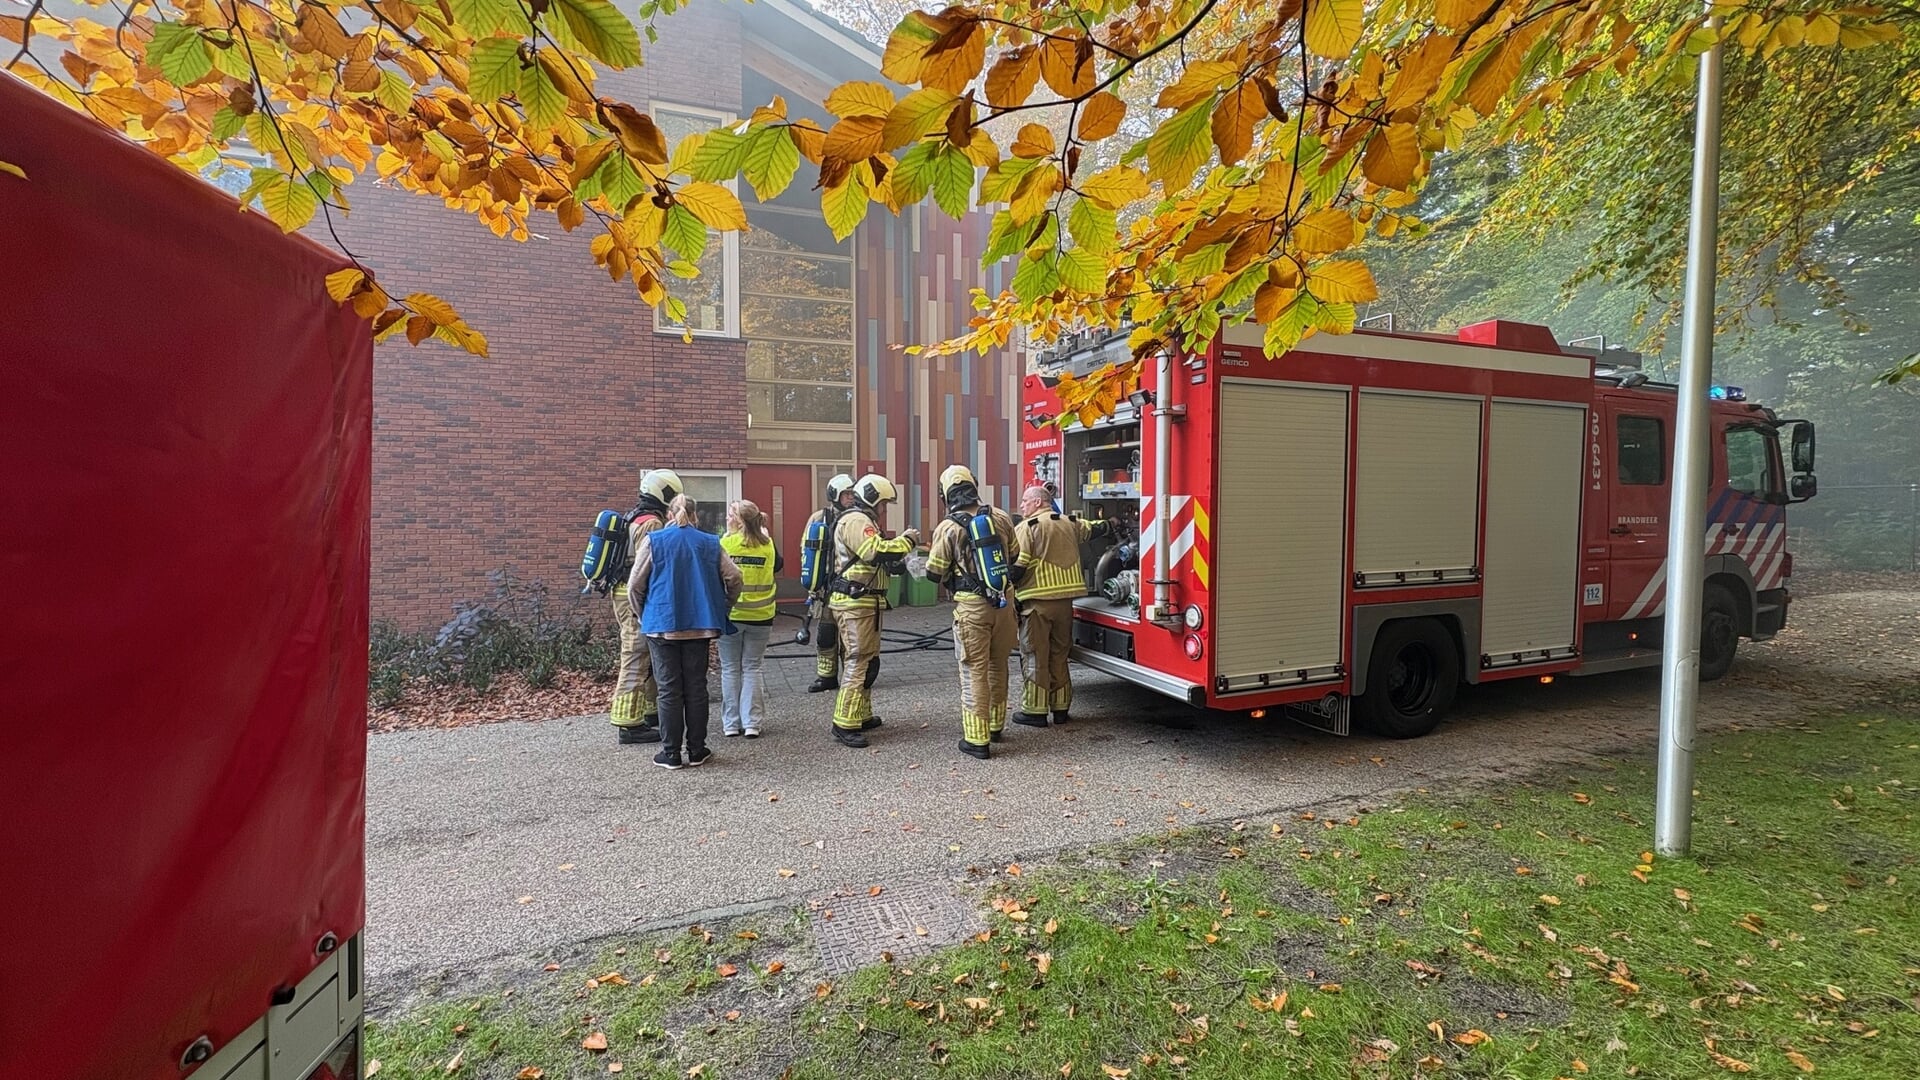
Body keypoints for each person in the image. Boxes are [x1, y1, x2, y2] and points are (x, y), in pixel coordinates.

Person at [628, 495, 742, 770]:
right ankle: (697, 749)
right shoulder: (710, 543)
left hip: (662, 626)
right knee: (696, 688)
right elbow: (735, 578)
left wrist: (646, 615)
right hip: (699, 627)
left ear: (669, 515)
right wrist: (722, 607)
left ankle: (670, 753)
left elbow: (634, 586)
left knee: (668, 690)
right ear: (696, 515)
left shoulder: (655, 541)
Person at [925, 465, 1021, 760]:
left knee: (973, 669)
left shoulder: (948, 527)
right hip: (1004, 603)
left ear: (946, 495)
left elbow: (934, 573)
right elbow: (1015, 555)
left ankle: (976, 739)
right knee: (998, 664)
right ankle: (995, 726)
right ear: (974, 486)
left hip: (971, 608)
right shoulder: (1001, 516)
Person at [826, 474, 920, 748]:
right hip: (856, 603)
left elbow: (874, 557)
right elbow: (873, 552)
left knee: (868, 661)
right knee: (857, 660)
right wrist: (907, 541)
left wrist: (895, 562)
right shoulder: (856, 520)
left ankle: (861, 715)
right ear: (873, 499)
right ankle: (844, 723)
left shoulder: (863, 521)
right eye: (884, 504)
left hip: (866, 602)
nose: (885, 509)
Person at [1012, 485, 1111, 726]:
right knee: (1060, 655)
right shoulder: (1069, 522)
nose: (1022, 506)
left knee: (1035, 655)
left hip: (1036, 603)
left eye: (1025, 501)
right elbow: (1094, 529)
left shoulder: (1027, 528)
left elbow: (1019, 566)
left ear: (1038, 502)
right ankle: (1061, 709)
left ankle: (1034, 712)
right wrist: (1112, 522)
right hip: (1066, 603)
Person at [609, 468, 681, 745]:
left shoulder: (634, 517)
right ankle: (628, 723)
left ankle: (650, 711)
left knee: (649, 654)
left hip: (625, 592)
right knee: (636, 655)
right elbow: (646, 568)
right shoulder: (651, 523)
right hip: (635, 596)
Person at [718, 499, 781, 738]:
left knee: (730, 669)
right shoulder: (768, 545)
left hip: (732, 615)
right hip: (762, 615)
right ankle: (752, 723)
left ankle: (731, 724)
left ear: (739, 520)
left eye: (730, 515)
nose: (726, 519)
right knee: (753, 668)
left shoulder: (726, 543)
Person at [804, 474, 858, 693]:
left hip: (850, 587)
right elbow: (807, 551)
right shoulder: (819, 518)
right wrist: (811, 583)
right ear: (834, 495)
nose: (851, 498)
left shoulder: (859, 519)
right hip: (826, 587)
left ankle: (851, 675)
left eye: (853, 494)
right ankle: (826, 677)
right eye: (846, 494)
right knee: (826, 634)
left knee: (850, 636)